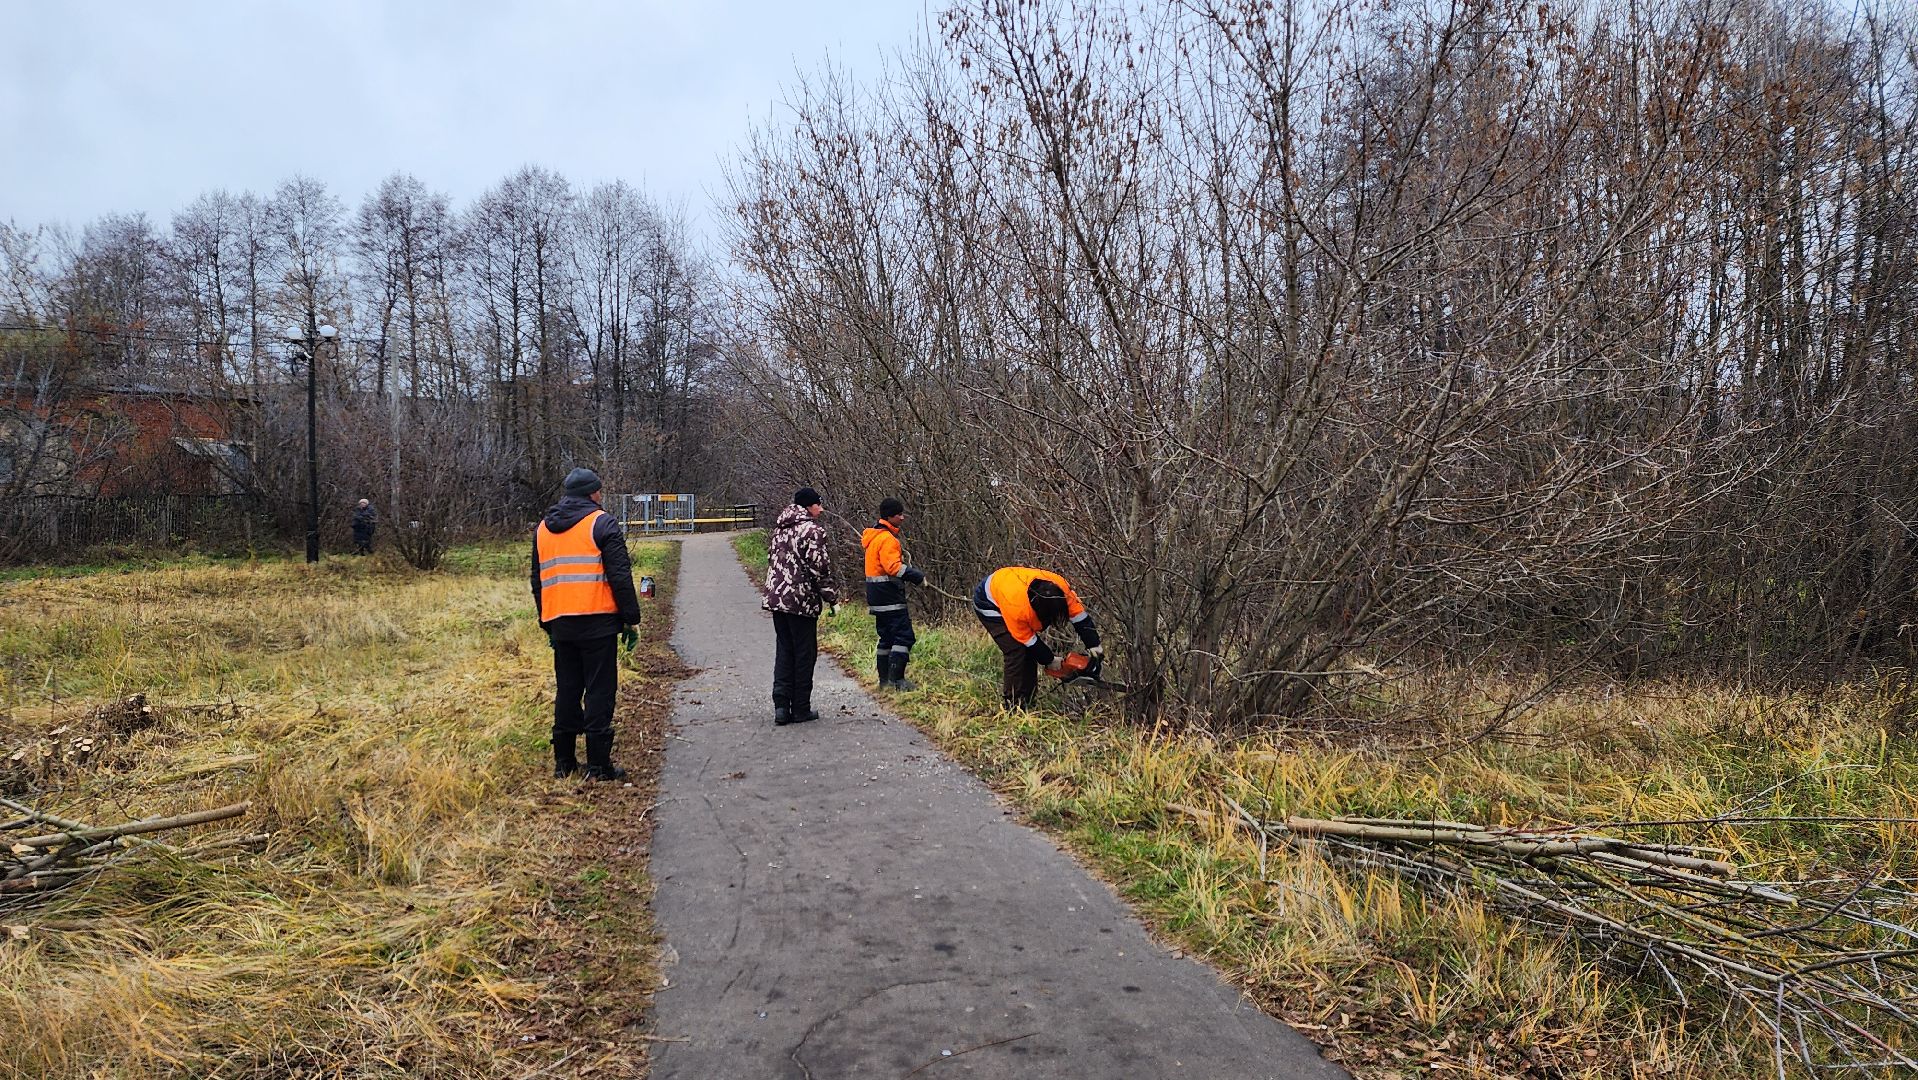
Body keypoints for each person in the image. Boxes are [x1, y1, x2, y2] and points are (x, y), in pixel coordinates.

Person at [531, 467, 642, 780]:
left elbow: (537, 581)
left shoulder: (543, 529)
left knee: (567, 690)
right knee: (599, 691)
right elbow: (620, 576)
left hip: (561, 624)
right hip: (597, 622)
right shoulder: (601, 522)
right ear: (593, 493)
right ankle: (598, 765)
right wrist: (630, 618)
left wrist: (546, 621)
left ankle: (563, 762)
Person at [972, 566, 1104, 708]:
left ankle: (1028, 700)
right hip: (989, 602)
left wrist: (1093, 644)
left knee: (1030, 654)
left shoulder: (1061, 589)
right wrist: (1050, 660)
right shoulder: (1017, 609)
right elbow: (1029, 640)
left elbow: (1079, 617)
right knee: (1017, 651)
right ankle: (1014, 705)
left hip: (1008, 583)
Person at [763, 487, 837, 726]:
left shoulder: (780, 529)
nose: (821, 509)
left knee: (785, 651)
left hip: (777, 600)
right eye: (818, 504)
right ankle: (801, 709)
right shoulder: (812, 531)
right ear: (809, 506)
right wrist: (831, 598)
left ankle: (781, 707)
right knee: (805, 654)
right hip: (801, 601)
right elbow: (820, 569)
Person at [861, 497, 926, 690]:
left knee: (886, 637)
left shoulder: (873, 538)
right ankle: (897, 680)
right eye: (899, 514)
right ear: (890, 516)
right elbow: (893, 568)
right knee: (904, 637)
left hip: (876, 597)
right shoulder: (888, 539)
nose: (903, 517)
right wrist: (916, 576)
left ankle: (884, 682)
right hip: (890, 597)